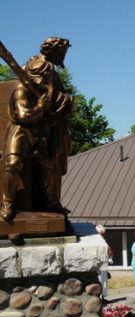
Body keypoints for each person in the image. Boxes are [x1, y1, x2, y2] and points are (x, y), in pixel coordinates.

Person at [1, 37, 73, 221]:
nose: (47, 79)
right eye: (44, 77)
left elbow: (58, 96)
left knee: (48, 167)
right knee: (12, 164)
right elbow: (21, 115)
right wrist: (42, 106)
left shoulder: (50, 78)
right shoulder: (22, 88)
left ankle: (49, 201)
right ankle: (7, 204)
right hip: (21, 132)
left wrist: (60, 101)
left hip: (41, 132)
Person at [95, 225, 113, 299]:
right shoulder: (95, 241)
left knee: (104, 281)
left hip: (104, 263)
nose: (103, 235)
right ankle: (99, 297)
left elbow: (109, 250)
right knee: (99, 280)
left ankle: (103, 297)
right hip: (98, 264)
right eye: (101, 234)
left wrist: (110, 252)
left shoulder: (103, 241)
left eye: (103, 234)